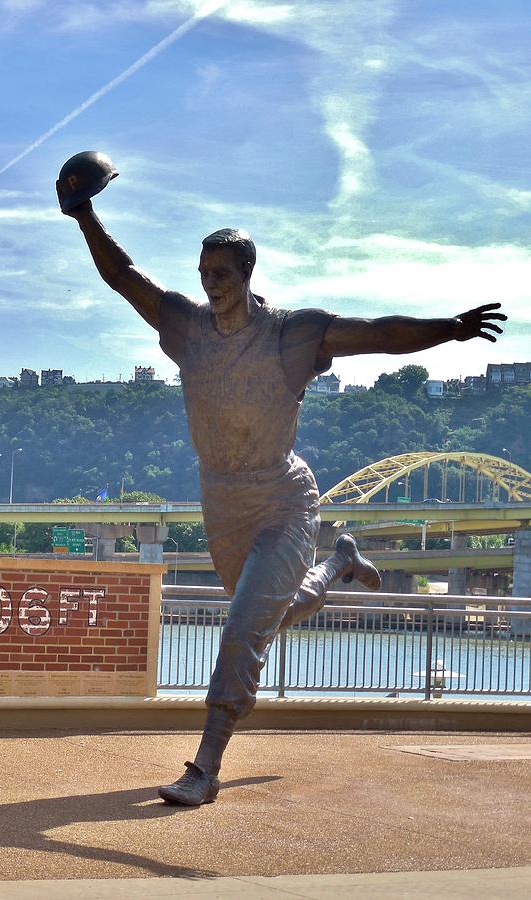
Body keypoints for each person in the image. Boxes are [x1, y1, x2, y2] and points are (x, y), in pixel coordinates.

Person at [58, 177, 506, 806]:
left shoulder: (292, 334)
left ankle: (204, 766)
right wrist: (83, 214)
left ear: (247, 270)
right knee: (271, 613)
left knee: (242, 628)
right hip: (222, 500)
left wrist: (450, 327)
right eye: (203, 271)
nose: (210, 281)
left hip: (283, 498)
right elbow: (123, 275)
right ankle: (338, 562)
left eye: (221, 271)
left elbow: (378, 331)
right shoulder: (187, 329)